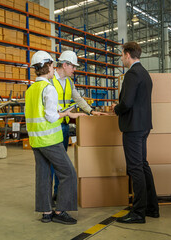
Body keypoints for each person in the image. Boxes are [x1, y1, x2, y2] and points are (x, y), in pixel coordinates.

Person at [25, 50, 86, 225]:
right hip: (50, 140)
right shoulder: (49, 88)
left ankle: (46, 212)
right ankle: (60, 211)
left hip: (35, 140)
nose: (54, 67)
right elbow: (51, 117)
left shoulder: (31, 89)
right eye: (52, 65)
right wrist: (68, 114)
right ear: (48, 66)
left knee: (43, 175)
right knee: (68, 173)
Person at [111, 42, 159, 224]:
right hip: (144, 126)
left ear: (127, 54)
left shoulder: (131, 74)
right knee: (143, 165)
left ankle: (138, 212)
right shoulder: (145, 73)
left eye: (122, 55)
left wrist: (116, 108)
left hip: (132, 127)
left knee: (135, 168)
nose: (121, 59)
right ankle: (151, 208)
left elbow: (127, 103)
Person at [50, 50, 107, 204]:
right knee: (51, 164)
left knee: (61, 163)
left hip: (63, 126)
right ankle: (47, 196)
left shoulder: (69, 82)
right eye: (73, 66)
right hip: (50, 127)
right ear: (64, 65)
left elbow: (78, 99)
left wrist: (91, 111)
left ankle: (57, 194)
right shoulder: (50, 81)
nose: (75, 69)